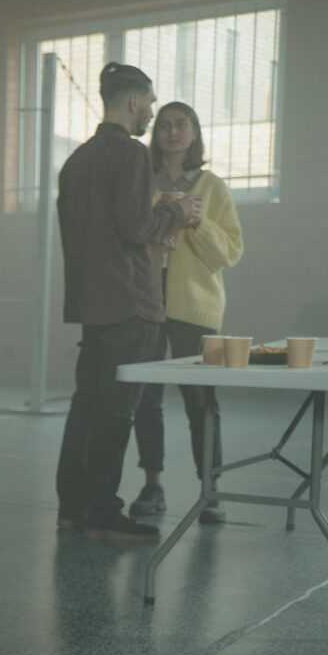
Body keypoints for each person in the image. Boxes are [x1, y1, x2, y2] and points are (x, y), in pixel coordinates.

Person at [54, 62, 202, 541]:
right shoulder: (132, 155)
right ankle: (102, 510)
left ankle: (73, 507)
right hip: (132, 303)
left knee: (85, 407)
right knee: (117, 412)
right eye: (151, 104)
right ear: (135, 102)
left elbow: (96, 230)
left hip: (92, 304)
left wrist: (153, 211)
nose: (152, 114)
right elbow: (136, 230)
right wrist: (176, 211)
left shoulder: (77, 160)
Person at [128, 101, 244, 524]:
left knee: (202, 400)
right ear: (156, 136)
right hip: (145, 304)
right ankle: (152, 484)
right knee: (145, 399)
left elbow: (229, 253)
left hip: (196, 308)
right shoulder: (142, 181)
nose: (173, 132)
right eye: (165, 126)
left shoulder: (212, 186)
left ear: (194, 134)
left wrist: (196, 221)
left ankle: (210, 490)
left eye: (182, 125)